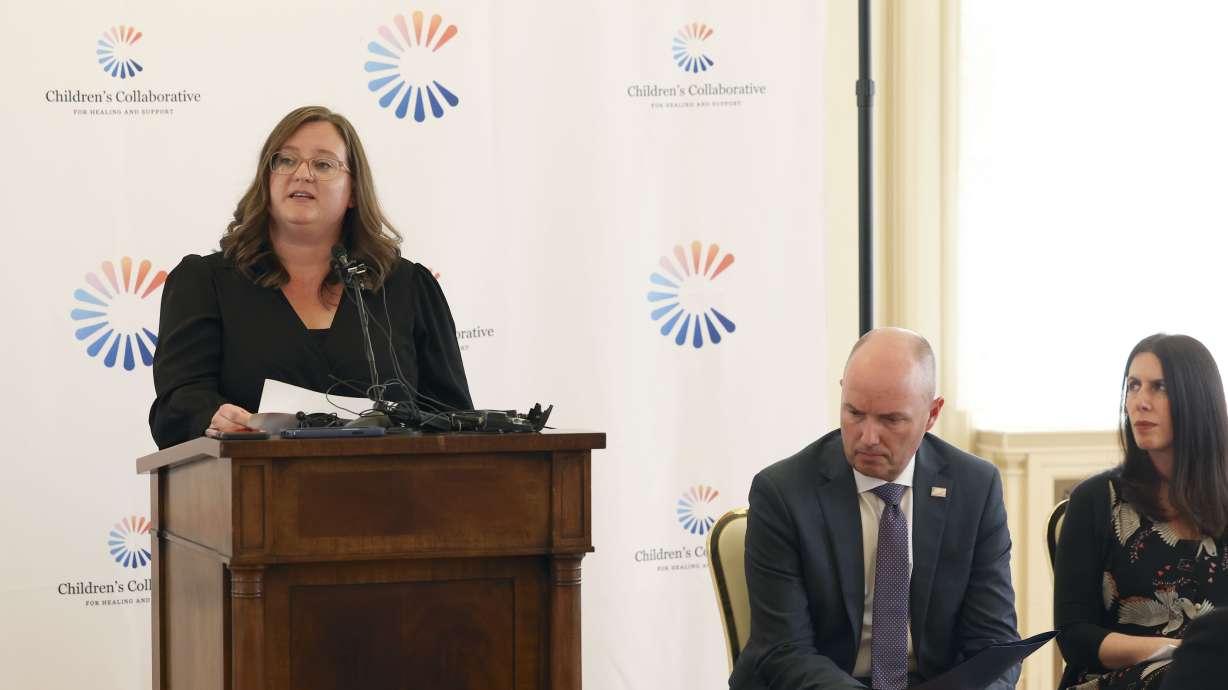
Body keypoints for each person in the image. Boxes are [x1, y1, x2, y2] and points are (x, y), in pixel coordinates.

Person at [149, 106, 471, 449]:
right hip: (252, 491)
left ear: (353, 191)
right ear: (266, 179)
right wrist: (211, 417)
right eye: (286, 161)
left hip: (391, 493)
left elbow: (453, 417)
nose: (302, 174)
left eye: (323, 164)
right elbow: (176, 405)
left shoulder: (407, 287)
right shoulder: (205, 283)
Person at [730, 327, 1020, 690]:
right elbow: (785, 651)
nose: (867, 437)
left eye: (891, 420)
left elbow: (993, 643)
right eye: (855, 412)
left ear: (932, 414)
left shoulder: (974, 488)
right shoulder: (783, 493)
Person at [1054, 333, 1228, 689]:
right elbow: (1074, 635)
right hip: (1116, 679)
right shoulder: (1095, 500)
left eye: (1159, 387)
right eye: (1133, 386)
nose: (1139, 402)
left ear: (1197, 399)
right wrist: (1176, 652)